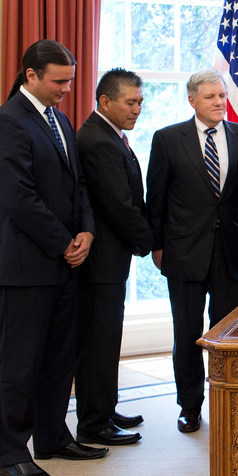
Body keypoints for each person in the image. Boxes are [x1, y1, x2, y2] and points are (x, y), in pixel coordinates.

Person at [0, 39, 107, 476]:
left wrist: (87, 232)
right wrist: (63, 243)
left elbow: (78, 187)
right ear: (31, 75)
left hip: (64, 262)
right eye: (59, 81)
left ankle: (53, 438)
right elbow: (18, 198)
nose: (66, 90)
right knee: (20, 365)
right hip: (23, 266)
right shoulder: (7, 122)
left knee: (59, 358)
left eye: (70, 81)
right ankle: (12, 455)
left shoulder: (58, 119)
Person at [146, 69, 238, 434]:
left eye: (222, 96)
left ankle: (226, 400)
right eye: (210, 97)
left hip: (229, 253)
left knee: (227, 334)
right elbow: (156, 199)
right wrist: (157, 247)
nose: (219, 103)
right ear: (192, 100)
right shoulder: (167, 139)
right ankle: (190, 406)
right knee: (188, 333)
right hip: (183, 253)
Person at [74, 69, 154, 447]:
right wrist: (152, 244)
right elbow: (120, 206)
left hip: (109, 260)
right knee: (98, 344)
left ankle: (105, 408)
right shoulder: (98, 141)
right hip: (100, 263)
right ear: (105, 102)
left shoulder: (109, 135)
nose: (137, 109)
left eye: (140, 101)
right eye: (131, 102)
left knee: (107, 340)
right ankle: (94, 422)